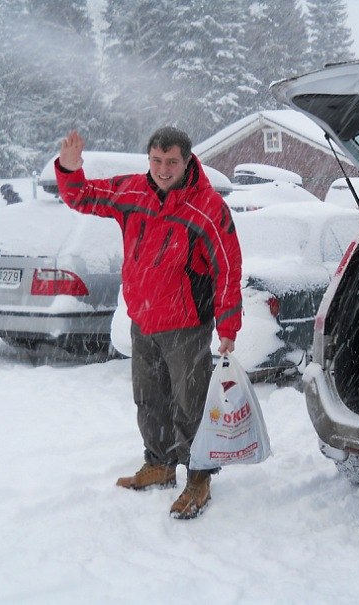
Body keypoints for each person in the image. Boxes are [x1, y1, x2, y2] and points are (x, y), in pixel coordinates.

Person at [55, 127, 242, 519]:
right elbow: (84, 197)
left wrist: (228, 326)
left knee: (189, 404)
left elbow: (227, 268)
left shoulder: (207, 207)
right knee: (149, 399)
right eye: (156, 161)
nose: (162, 169)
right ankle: (159, 464)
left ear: (188, 160)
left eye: (171, 161)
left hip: (186, 324)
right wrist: (70, 170)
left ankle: (199, 476)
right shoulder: (133, 192)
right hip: (142, 320)